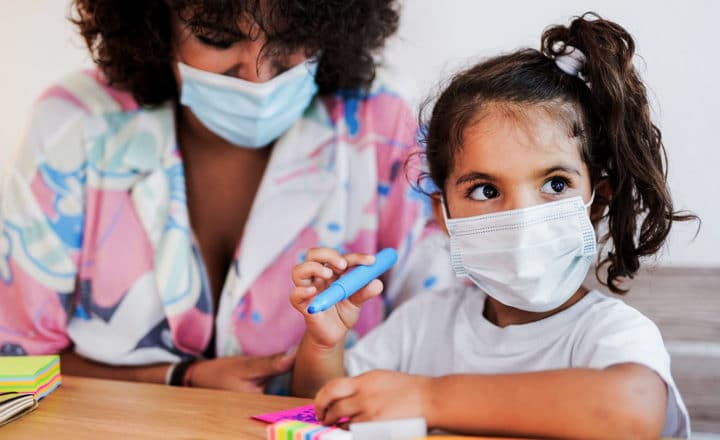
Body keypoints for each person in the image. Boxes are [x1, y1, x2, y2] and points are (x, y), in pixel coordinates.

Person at [0, 0, 453, 392]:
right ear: (156, 26)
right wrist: (179, 379)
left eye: (291, 39)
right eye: (218, 38)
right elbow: (15, 364)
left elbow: (450, 341)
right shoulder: (77, 123)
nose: (256, 75)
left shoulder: (382, 128)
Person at [288, 13, 695, 438]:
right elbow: (319, 417)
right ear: (443, 215)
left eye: (555, 184)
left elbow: (632, 410)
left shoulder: (607, 333)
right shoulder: (423, 324)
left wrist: (430, 399)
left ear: (597, 203)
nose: (519, 218)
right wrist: (324, 345)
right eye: (485, 190)